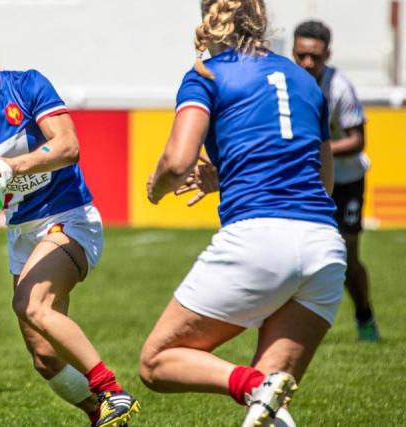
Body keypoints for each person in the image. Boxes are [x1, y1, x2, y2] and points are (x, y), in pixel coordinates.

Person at [140, 1, 346, 426]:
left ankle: (253, 385)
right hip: (324, 248)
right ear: (263, 18)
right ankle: (260, 388)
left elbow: (178, 162)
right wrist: (228, 174)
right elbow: (322, 182)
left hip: (260, 239)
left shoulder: (207, 73)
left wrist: (157, 189)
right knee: (268, 411)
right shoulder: (306, 81)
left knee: (157, 362)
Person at [0, 6, 139, 427]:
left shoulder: (27, 86)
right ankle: (100, 415)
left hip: (69, 216)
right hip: (21, 229)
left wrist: (12, 167)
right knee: (44, 357)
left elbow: (68, 146)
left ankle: (113, 391)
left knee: (31, 304)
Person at [292, 20, 379, 342]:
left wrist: (316, 148)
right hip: (309, 180)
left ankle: (365, 316)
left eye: (314, 56)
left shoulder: (340, 87)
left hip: (346, 181)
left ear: (327, 53)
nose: (307, 63)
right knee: (293, 253)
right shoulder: (287, 83)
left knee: (346, 258)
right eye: (301, 55)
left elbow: (358, 140)